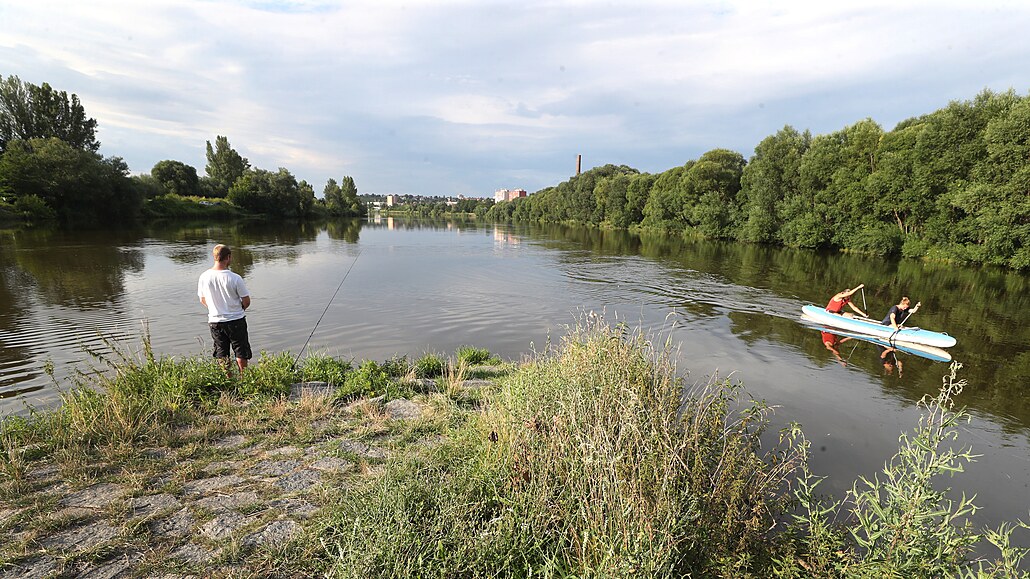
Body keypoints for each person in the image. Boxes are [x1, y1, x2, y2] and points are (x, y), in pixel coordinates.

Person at [198, 244, 252, 376]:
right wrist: (239, 308)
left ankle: (228, 379)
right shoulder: (235, 278)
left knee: (221, 352)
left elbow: (202, 299)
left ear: (215, 257)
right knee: (241, 351)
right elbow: (246, 301)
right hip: (236, 320)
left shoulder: (204, 277)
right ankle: (243, 379)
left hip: (215, 321)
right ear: (228, 257)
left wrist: (215, 308)